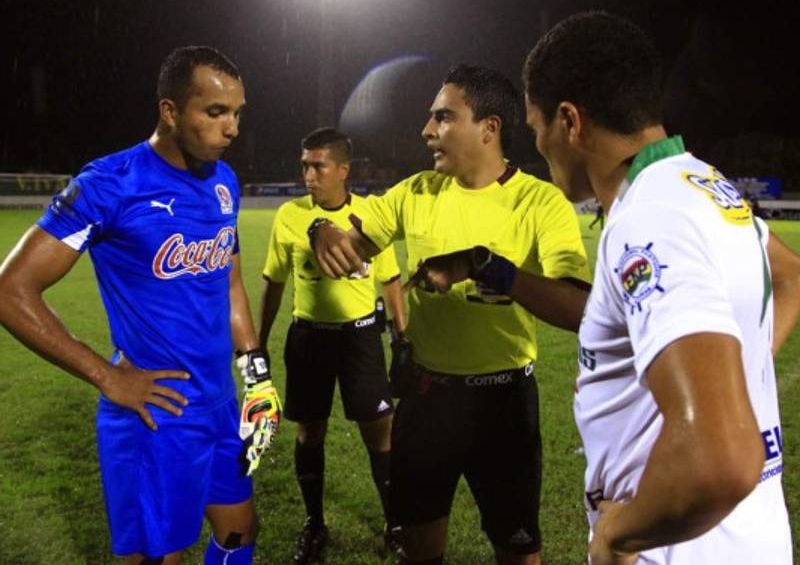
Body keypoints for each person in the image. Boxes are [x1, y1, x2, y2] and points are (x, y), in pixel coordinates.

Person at [521, 11, 798, 564]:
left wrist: (619, 535)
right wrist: (736, 367)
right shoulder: (703, 182)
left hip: (685, 549)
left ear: (570, 121)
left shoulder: (649, 218)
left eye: (536, 128)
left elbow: (721, 461)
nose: (539, 146)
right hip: (751, 539)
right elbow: (790, 274)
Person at [0, 46, 281, 565]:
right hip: (158, 412)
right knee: (159, 559)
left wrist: (256, 374)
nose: (232, 128)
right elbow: (10, 290)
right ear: (170, 111)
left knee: (240, 531)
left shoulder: (223, 180)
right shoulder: (110, 184)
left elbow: (230, 282)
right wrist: (107, 377)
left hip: (220, 403)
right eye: (215, 112)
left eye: (238, 113)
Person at [309, 64, 592, 565]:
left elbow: (579, 308)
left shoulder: (540, 202)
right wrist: (322, 233)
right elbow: (347, 242)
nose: (427, 130)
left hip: (503, 404)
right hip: (426, 400)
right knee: (418, 549)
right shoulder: (417, 191)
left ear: (489, 128)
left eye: (443, 117)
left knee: (519, 552)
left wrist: (483, 266)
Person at [258, 127, 407, 563]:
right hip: (308, 339)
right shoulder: (289, 215)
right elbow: (273, 282)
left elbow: (391, 280)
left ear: (343, 169)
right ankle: (314, 524)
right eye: (305, 165)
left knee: (380, 432)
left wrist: (402, 336)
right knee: (310, 432)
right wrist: (259, 342)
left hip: (360, 338)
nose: (309, 174)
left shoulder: (369, 215)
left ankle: (396, 523)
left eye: (318, 166)